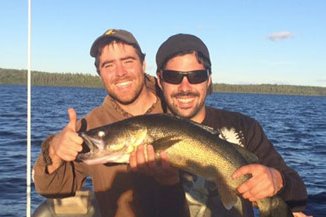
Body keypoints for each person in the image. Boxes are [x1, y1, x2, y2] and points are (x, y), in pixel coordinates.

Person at [133, 33, 310, 217]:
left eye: (196, 76)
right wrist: (166, 184)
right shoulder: (141, 143)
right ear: (160, 80)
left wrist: (277, 180)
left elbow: (299, 194)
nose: (185, 87)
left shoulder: (244, 127)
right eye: (173, 76)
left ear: (209, 79)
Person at [32, 29, 189, 217]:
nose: (120, 73)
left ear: (143, 64)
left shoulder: (179, 106)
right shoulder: (90, 127)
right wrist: (55, 149)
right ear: (100, 73)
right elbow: (50, 188)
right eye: (108, 65)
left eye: (128, 61)